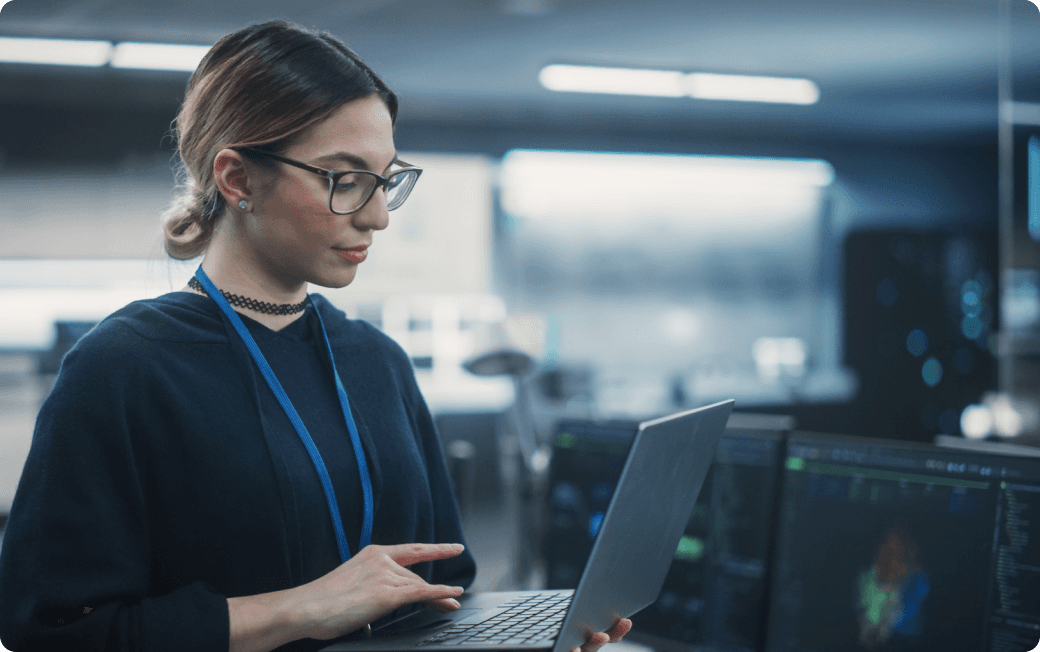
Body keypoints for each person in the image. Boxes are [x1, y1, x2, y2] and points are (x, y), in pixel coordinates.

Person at [0, 19, 631, 652]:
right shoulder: (123, 368)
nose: (378, 216)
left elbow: (446, 589)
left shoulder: (377, 362)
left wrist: (519, 640)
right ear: (238, 179)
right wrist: (300, 609)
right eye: (343, 179)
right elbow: (51, 632)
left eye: (385, 180)